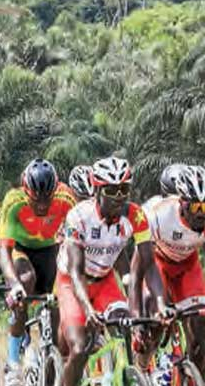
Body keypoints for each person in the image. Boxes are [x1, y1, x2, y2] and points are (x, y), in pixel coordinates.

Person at [56, 157, 166, 386]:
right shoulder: (78, 216)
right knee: (79, 348)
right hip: (72, 281)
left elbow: (149, 264)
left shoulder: (135, 215)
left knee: (125, 324)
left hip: (105, 280)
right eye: (111, 190)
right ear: (97, 190)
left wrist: (160, 304)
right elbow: (76, 272)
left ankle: (119, 376)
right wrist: (88, 309)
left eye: (124, 189)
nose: (119, 197)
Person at [0, 158, 77, 385]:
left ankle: (50, 371)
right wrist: (13, 285)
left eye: (47, 198)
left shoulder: (66, 198)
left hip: (50, 250)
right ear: (26, 191)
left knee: (55, 314)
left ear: (56, 190)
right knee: (25, 281)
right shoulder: (14, 202)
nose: (42, 205)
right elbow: (4, 250)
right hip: (21, 251)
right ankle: (13, 363)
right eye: (36, 199)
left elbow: (74, 243)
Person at [146, 165, 205, 374]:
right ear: (182, 203)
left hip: (188, 266)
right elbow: (139, 256)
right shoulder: (157, 214)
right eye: (197, 208)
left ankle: (191, 372)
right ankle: (144, 365)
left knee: (201, 333)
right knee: (154, 319)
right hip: (158, 263)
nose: (202, 214)